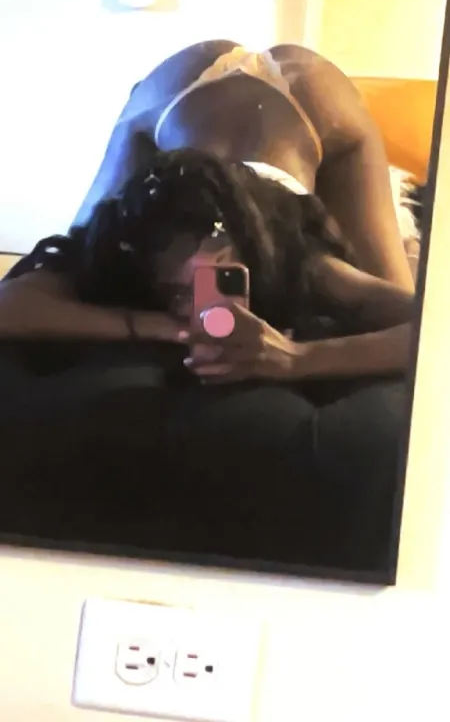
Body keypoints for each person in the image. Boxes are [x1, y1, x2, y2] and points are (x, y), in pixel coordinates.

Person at [0, 146, 413, 572]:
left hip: (280, 157)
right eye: (177, 291)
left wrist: (298, 358)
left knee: (386, 261)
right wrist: (155, 325)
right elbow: (9, 304)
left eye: (217, 277)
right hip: (174, 143)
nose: (194, 302)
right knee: (131, 144)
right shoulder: (123, 245)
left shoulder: (291, 254)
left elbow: (431, 330)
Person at [71, 40, 415, 292]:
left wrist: (298, 358)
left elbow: (410, 325)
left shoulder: (312, 266)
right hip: (180, 93)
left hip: (308, 101)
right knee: (79, 259)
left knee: (385, 285)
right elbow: (52, 278)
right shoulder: (152, 232)